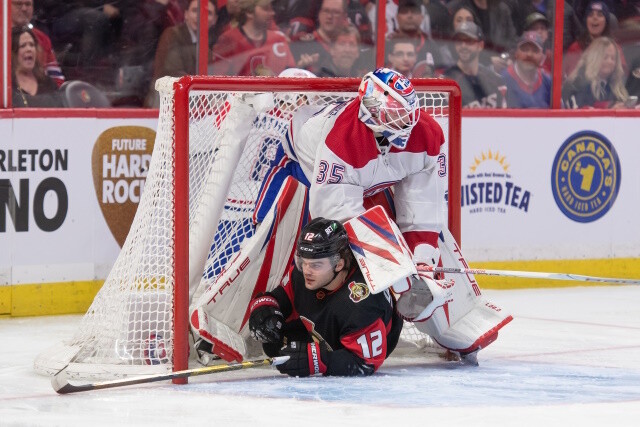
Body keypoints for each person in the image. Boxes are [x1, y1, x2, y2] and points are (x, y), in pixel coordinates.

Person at [248, 218, 403, 377]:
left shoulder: (362, 304)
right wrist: (264, 307)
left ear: (339, 265)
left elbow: (364, 362)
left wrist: (319, 361)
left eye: (316, 265)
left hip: (358, 345)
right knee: (274, 341)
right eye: (302, 261)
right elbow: (283, 297)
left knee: (295, 354)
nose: (306, 271)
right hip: (326, 326)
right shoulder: (305, 273)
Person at [145, 0, 217, 107]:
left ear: (215, 20)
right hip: (166, 103)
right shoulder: (172, 35)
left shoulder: (215, 42)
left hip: (195, 104)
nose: (200, 16)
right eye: (195, 11)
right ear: (186, 14)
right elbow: (172, 72)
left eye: (208, 13)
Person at [211, 0, 296, 76]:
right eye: (266, 9)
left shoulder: (278, 38)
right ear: (249, 13)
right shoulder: (228, 39)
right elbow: (219, 80)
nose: (272, 13)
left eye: (271, 9)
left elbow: (291, 73)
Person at [442, 21, 508, 108]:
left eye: (469, 41)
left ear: (480, 45)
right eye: (459, 41)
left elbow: (504, 118)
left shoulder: (495, 80)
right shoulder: (445, 83)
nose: (463, 46)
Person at [563, 36, 630, 108]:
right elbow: (581, 109)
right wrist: (609, 107)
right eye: (605, 57)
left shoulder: (614, 86)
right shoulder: (578, 82)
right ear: (594, 58)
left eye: (613, 58)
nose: (610, 62)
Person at [10, 0, 64, 86]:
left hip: (39, 96)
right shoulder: (3, 36)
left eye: (28, 4)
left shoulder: (42, 38)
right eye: (18, 4)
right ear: (6, 6)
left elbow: (57, 79)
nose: (24, 8)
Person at [564, 1, 625, 76]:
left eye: (600, 15)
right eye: (590, 15)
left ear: (606, 22)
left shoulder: (614, 48)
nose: (595, 18)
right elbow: (570, 77)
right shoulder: (576, 48)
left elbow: (621, 76)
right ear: (586, 21)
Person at [290, 0, 349, 75]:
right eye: (326, 11)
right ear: (319, 14)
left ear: (344, 17)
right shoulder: (302, 45)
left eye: (335, 12)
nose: (329, 16)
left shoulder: (351, 47)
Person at [11, 26, 63, 108]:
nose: (29, 49)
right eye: (23, 46)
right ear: (13, 53)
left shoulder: (48, 83)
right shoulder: (7, 87)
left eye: (32, 45)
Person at [501, 32, 552, 108]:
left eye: (535, 50)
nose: (529, 54)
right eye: (525, 49)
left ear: (542, 56)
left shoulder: (548, 83)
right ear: (516, 53)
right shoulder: (501, 80)